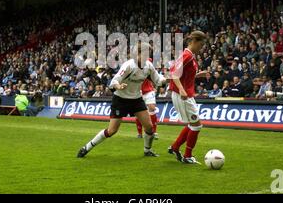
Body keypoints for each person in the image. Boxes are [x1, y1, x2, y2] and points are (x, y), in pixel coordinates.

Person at [77, 42, 167, 158]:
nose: (146, 56)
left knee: (149, 127)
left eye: (148, 54)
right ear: (137, 54)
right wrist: (119, 86)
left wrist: (170, 79)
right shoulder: (129, 65)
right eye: (143, 54)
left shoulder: (149, 66)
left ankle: (147, 150)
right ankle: (87, 147)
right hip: (120, 99)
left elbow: (158, 80)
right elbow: (114, 81)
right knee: (112, 131)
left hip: (136, 99)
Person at [168, 31, 207, 164]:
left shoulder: (189, 55)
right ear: (194, 41)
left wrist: (198, 75)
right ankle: (187, 156)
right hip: (183, 95)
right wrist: (181, 89)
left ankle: (175, 147)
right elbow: (173, 73)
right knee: (196, 125)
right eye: (200, 45)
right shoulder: (187, 55)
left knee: (193, 124)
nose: (200, 48)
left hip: (185, 94)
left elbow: (184, 75)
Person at [135, 65, 159, 140]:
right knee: (138, 112)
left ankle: (154, 132)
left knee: (152, 108)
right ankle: (139, 133)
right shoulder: (132, 67)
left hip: (148, 91)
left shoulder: (147, 64)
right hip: (138, 91)